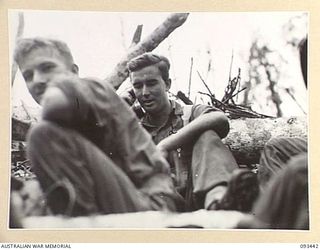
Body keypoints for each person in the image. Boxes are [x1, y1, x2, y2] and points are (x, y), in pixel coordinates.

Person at [13, 37, 180, 217]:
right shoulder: (62, 128)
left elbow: (55, 104)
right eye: (28, 75)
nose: (37, 80)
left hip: (153, 202)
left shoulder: (93, 88)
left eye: (47, 68)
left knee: (41, 136)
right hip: (123, 199)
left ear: (73, 72)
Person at [126, 53, 260, 212]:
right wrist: (120, 105)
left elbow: (219, 119)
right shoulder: (133, 127)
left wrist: (165, 145)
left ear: (167, 84)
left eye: (152, 83)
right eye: (138, 86)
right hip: (159, 206)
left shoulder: (189, 113)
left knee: (207, 136)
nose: (145, 92)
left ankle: (219, 203)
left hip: (197, 199)